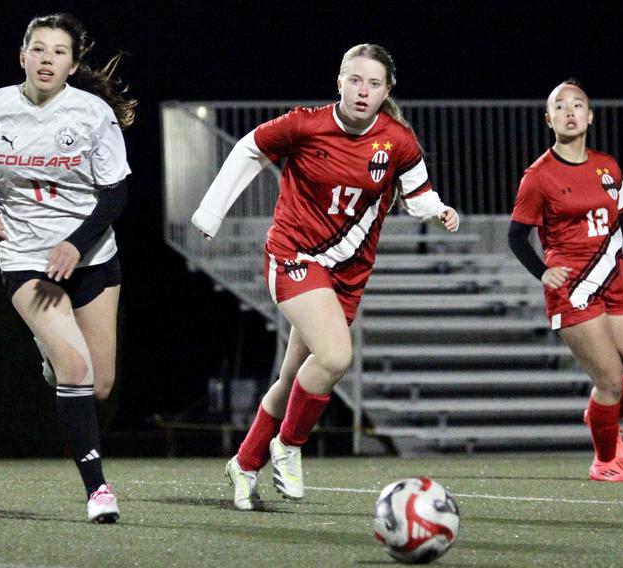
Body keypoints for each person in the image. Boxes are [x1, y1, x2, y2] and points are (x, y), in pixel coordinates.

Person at [192, 44, 459, 510]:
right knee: (335, 357)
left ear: (387, 90)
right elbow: (248, 149)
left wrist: (439, 212)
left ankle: (246, 462)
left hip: (348, 273)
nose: (363, 91)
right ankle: (289, 446)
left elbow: (418, 195)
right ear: (339, 82)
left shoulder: (396, 140)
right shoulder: (304, 124)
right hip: (294, 257)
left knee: (296, 375)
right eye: (355, 80)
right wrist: (211, 212)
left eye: (374, 84)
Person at [0, 13, 136, 522]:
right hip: (26, 258)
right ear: (22, 55)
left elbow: (116, 192)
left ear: (72, 64)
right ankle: (98, 491)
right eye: (38, 49)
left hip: (92, 255)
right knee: (76, 368)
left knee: (98, 385)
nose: (47, 59)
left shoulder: (93, 114)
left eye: (58, 52)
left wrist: (75, 243)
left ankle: (50, 359)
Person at [508, 80, 623, 483]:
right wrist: (542, 271)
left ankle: (599, 417)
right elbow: (516, 237)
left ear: (590, 116)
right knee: (608, 380)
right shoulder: (538, 176)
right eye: (560, 106)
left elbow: (621, 224)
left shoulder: (608, 165)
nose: (569, 111)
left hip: (617, 283)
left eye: (578, 105)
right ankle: (605, 462)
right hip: (573, 290)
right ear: (549, 119)